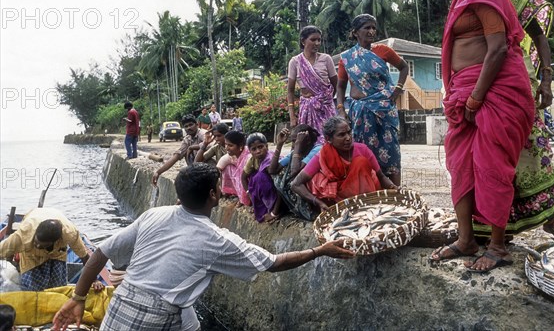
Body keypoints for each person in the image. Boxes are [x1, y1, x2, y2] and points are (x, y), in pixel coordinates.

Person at [52, 163, 354, 330]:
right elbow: (274, 262)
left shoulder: (154, 214)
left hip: (125, 298)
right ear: (214, 195)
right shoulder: (218, 240)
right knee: (181, 313)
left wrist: (78, 297)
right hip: (157, 314)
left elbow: (101, 253)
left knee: (189, 319)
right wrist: (319, 250)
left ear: (179, 196)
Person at [429, 0, 535, 273]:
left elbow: (499, 48)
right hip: (466, 94)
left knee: (493, 165)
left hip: (495, 92)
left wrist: (476, 97)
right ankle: (466, 240)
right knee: (459, 163)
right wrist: (468, 97)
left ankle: (499, 246)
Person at [471, 0, 554, 240]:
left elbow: (539, 38)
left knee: (536, 153)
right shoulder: (469, 4)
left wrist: (546, 79)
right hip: (484, 88)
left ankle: (549, 218)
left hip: (519, 87)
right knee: (491, 161)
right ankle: (496, 230)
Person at [336, 15, 409, 186]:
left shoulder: (383, 51)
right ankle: (369, 193)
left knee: (391, 151)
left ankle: (395, 193)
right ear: (355, 32)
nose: (371, 31)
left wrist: (397, 89)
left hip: (384, 108)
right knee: (363, 153)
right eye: (366, 28)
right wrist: (341, 109)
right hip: (360, 111)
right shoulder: (346, 58)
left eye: (373, 28)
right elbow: (340, 87)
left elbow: (404, 67)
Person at [291, 116, 400, 213]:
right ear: (329, 139)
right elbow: (295, 184)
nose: (348, 138)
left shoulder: (362, 150)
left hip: (366, 192)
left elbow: (380, 176)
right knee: (316, 179)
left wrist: (392, 187)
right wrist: (318, 202)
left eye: (349, 132)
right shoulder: (322, 155)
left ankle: (366, 207)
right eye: (342, 135)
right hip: (340, 199)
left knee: (360, 162)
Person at [0, 208, 102, 292]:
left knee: (58, 288)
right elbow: (2, 250)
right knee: (30, 288)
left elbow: (84, 257)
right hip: (31, 255)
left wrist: (95, 280)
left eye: (42, 245)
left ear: (55, 241)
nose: (38, 245)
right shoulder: (23, 234)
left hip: (57, 254)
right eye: (36, 243)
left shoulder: (69, 234)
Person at [287, 25, 337, 140]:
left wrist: (325, 99)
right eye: (313, 40)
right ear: (303, 41)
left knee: (330, 139)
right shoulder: (295, 62)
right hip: (307, 109)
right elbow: (290, 91)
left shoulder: (326, 59)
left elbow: (336, 85)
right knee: (308, 142)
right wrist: (292, 116)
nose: (317, 43)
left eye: (319, 40)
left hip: (326, 108)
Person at [269, 124, 322, 220]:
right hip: (302, 188)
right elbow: (272, 170)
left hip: (317, 189)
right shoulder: (296, 153)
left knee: (290, 176)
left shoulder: (317, 149)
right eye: (293, 141)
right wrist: (280, 144)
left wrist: (297, 146)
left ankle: (311, 211)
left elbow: (295, 173)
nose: (293, 145)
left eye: (296, 141)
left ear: (307, 140)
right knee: (279, 176)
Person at [152, 114, 205, 186]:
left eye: (191, 125)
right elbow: (176, 156)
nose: (189, 128)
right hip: (196, 169)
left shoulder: (202, 133)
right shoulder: (187, 139)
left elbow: (210, 145)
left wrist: (192, 147)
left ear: (197, 124)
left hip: (208, 167)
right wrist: (158, 172)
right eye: (186, 126)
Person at [241, 133, 282, 222]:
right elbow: (243, 177)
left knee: (259, 177)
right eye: (254, 149)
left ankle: (275, 210)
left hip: (279, 195)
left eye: (260, 147)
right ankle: (262, 206)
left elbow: (280, 187)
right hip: (268, 191)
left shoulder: (270, 160)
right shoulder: (253, 160)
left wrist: (274, 213)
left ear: (266, 147)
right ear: (250, 151)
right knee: (253, 177)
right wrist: (249, 194)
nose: (258, 151)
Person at [218, 130, 252, 206]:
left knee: (240, 174)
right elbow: (219, 167)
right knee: (228, 168)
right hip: (245, 180)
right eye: (226, 144)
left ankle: (248, 198)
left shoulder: (249, 157)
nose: (226, 148)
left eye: (230, 145)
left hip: (251, 184)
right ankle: (234, 193)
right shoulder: (233, 155)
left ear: (240, 146)